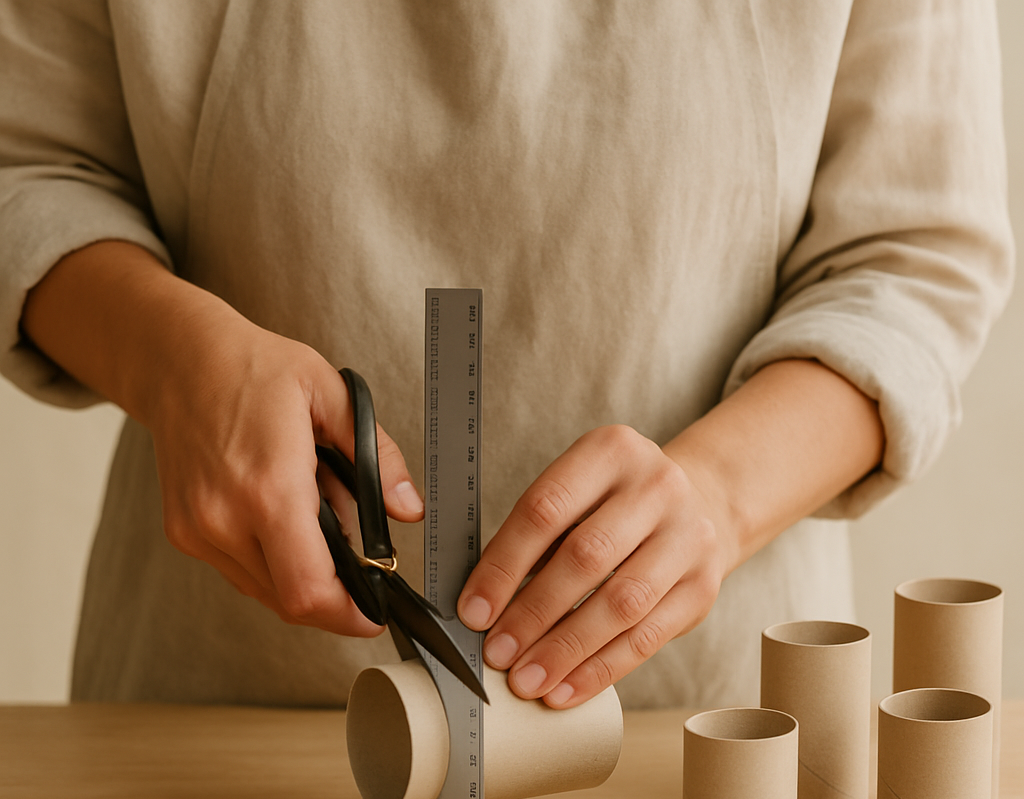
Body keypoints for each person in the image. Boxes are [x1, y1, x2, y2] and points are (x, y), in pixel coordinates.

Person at [0, 1, 1013, 709]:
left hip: (697, 751)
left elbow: (915, 251)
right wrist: (175, 362)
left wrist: (721, 495)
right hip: (205, 733)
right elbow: (26, 165)